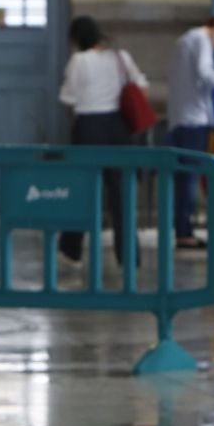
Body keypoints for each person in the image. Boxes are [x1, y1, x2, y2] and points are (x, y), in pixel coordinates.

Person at [56, 15, 148, 266]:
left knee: (83, 191)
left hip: (88, 129)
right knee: (122, 194)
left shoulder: (79, 60)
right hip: (119, 129)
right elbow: (141, 84)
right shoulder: (120, 57)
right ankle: (129, 256)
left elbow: (68, 97)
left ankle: (71, 248)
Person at [166, 14, 214, 250]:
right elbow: (206, 74)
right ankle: (184, 232)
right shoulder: (201, 39)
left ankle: (181, 228)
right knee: (189, 178)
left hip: (178, 117)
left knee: (182, 179)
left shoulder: (183, 40)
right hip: (194, 118)